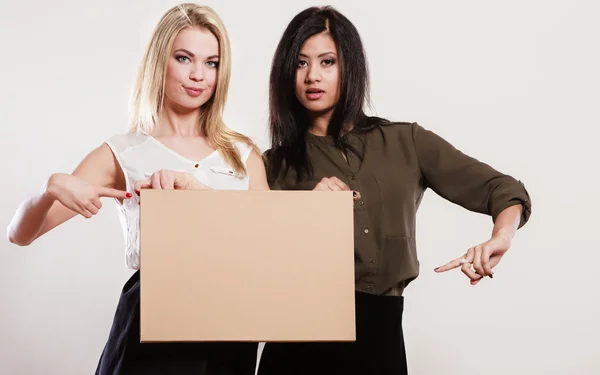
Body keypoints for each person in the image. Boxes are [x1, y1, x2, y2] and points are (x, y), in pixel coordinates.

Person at [258, 5, 532, 375]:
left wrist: (501, 237)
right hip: (295, 341)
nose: (312, 77)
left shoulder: (406, 142)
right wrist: (305, 213)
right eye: (301, 63)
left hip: (380, 338)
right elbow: (256, 261)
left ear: (350, 67)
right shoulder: (271, 164)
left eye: (327, 62)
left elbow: (503, 190)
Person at [7, 3, 268, 374]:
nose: (198, 75)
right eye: (184, 58)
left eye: (211, 63)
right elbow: (19, 235)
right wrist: (49, 189)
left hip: (230, 323)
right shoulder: (123, 151)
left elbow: (271, 249)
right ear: (159, 60)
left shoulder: (243, 155)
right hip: (151, 321)